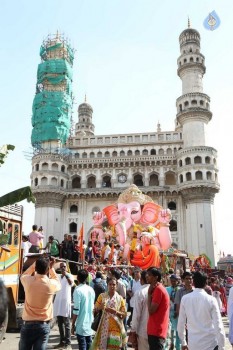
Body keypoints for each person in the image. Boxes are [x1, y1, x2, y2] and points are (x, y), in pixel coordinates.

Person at [19, 257, 61, 350]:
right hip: (43, 325)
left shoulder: (28, 281)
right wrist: (51, 268)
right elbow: (58, 282)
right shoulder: (51, 284)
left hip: (28, 325)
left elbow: (23, 275)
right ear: (47, 270)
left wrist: (34, 265)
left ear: (36, 268)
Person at [177, 271, 225, 350]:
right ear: (206, 283)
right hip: (211, 344)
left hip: (193, 344)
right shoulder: (211, 300)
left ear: (193, 282)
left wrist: (183, 342)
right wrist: (222, 346)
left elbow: (181, 323)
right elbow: (218, 325)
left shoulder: (185, 299)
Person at [91, 276, 127, 350]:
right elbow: (94, 310)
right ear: (107, 285)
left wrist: (115, 312)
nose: (112, 286)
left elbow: (124, 314)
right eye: (110, 284)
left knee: (114, 347)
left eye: (114, 284)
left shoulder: (120, 298)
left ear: (116, 286)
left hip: (115, 328)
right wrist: (100, 308)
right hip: (104, 326)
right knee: (103, 347)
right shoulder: (102, 296)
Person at [71, 269, 95, 350]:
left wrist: (73, 324)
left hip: (81, 324)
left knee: (83, 346)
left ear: (77, 278)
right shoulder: (91, 289)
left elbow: (76, 309)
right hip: (90, 323)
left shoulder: (77, 290)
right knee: (88, 345)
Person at [147, 267, 170, 350]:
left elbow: (151, 310)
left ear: (156, 277)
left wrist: (149, 294)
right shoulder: (158, 288)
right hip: (156, 331)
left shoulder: (158, 290)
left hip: (156, 331)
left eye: (149, 275)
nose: (147, 276)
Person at [53, 262, 74, 350]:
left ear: (66, 267)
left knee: (67, 324)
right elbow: (51, 271)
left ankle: (68, 343)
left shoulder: (70, 275)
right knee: (60, 324)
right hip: (58, 303)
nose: (63, 268)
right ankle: (62, 342)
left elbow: (71, 283)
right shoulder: (57, 277)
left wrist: (66, 275)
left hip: (65, 303)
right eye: (61, 267)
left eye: (64, 267)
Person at [130, 270, 150, 350]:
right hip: (155, 331)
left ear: (141, 280)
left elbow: (136, 315)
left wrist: (133, 330)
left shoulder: (140, 292)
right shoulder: (157, 290)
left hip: (142, 330)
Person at [166, 274, 181, 350]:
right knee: (170, 330)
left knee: (178, 330)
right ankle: (171, 344)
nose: (173, 282)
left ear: (177, 281)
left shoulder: (180, 290)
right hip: (169, 312)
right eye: (171, 281)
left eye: (174, 281)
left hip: (177, 313)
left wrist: (177, 311)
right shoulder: (167, 289)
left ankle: (178, 346)